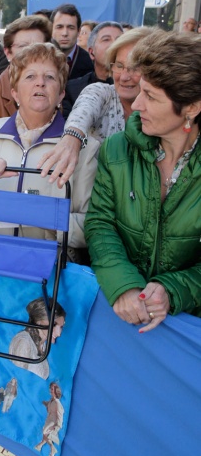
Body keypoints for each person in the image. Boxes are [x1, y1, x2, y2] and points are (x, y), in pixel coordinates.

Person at [84, 29, 201, 332]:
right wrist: (123, 285)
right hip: (119, 313)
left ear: (191, 107)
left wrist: (172, 289)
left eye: (150, 96)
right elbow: (100, 223)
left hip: (189, 331)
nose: (136, 105)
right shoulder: (117, 148)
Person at [0, 43, 99, 264]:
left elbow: (92, 227)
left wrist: (39, 214)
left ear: (61, 95)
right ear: (15, 93)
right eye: (30, 77)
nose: (40, 82)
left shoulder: (84, 148)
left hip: (51, 274)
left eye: (50, 77)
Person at [38, 27, 152, 187]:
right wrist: (71, 139)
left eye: (135, 68)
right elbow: (84, 109)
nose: (125, 76)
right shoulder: (102, 92)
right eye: (119, 65)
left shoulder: (163, 109)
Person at [0, 14, 52, 147]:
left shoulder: (52, 89)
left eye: (38, 48)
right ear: (7, 52)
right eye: (23, 47)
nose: (31, 54)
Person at [63, 21, 123, 118]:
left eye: (119, 40)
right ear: (91, 52)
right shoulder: (73, 89)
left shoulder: (133, 87)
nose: (114, 44)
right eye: (106, 39)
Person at [9, 297, 66, 380]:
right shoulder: (24, 342)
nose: (59, 333)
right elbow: (18, 377)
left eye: (61, 327)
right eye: (54, 324)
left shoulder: (43, 345)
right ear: (39, 321)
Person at [51, 4, 93, 80]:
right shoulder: (38, 58)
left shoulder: (91, 63)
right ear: (51, 29)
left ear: (78, 31)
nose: (65, 33)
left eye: (71, 28)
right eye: (59, 27)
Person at [35, 382, 64, 456]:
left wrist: (58, 425)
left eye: (52, 389)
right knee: (47, 434)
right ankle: (41, 446)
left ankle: (51, 448)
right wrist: (45, 403)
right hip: (49, 419)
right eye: (50, 389)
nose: (50, 391)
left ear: (55, 391)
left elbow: (60, 415)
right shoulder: (52, 400)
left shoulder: (58, 403)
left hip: (53, 421)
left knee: (45, 432)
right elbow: (49, 405)